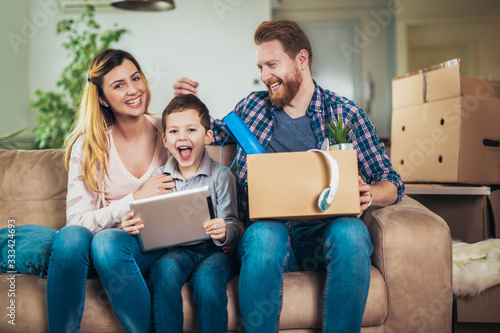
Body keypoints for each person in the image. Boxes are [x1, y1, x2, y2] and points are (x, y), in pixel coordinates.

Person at [173, 20, 405, 332]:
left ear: (302, 60)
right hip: (267, 235)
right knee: (265, 236)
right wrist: (188, 106)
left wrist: (371, 193)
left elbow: (392, 181)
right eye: (260, 67)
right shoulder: (251, 108)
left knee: (351, 232)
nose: (264, 76)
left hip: (320, 236)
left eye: (271, 65)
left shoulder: (345, 114)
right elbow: (208, 133)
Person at [47, 49, 172, 333]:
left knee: (106, 244)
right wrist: (133, 201)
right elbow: (77, 222)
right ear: (103, 98)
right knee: (69, 238)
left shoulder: (169, 131)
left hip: (156, 243)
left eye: (135, 78)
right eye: (119, 85)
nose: (133, 90)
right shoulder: (89, 146)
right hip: (105, 245)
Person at [149, 94, 242, 332]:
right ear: (165, 140)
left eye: (191, 129)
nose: (182, 137)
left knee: (207, 281)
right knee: (163, 269)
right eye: (174, 132)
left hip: (215, 252)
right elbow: (153, 221)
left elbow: (233, 224)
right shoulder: (159, 179)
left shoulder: (222, 175)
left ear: (208, 136)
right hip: (178, 250)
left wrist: (224, 230)